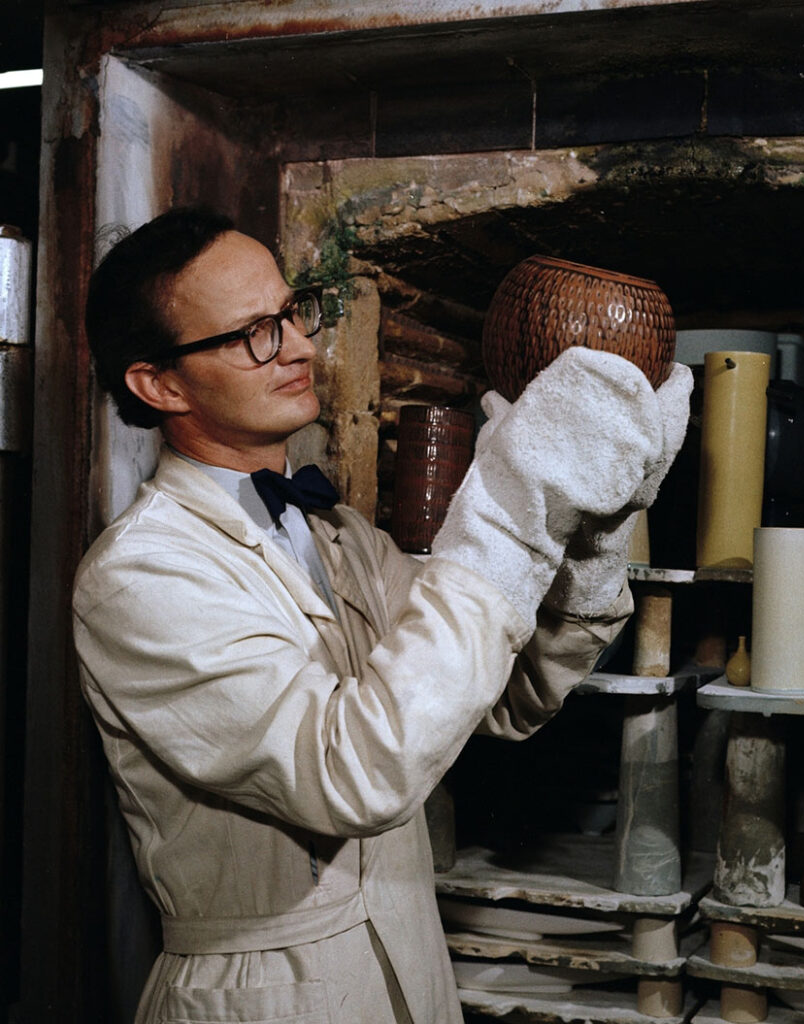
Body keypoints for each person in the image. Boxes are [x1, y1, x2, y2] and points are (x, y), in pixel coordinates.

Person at [73, 206, 693, 1024]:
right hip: (265, 997)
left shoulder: (338, 535)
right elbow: (357, 771)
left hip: (409, 970)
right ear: (159, 383)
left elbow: (507, 697)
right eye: (254, 333)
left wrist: (592, 519)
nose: (297, 346)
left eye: (293, 312)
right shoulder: (140, 576)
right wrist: (510, 506)